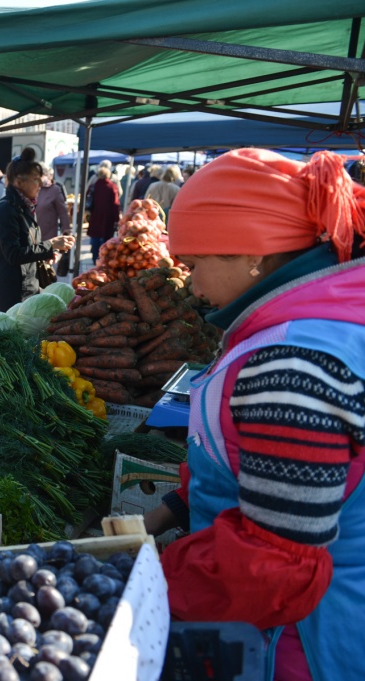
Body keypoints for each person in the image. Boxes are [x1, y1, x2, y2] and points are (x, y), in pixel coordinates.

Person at [141, 148, 365, 681]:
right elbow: (265, 472)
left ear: (253, 255)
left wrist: (146, 582)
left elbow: (274, 567)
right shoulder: (310, 324)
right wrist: (171, 510)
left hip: (301, 646)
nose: (191, 288)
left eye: (195, 265)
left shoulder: (292, 365)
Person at [0, 151, 75, 312]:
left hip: (29, 287)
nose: (40, 184)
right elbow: (13, 254)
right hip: (12, 291)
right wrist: (50, 245)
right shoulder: (6, 210)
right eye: (36, 179)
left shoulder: (26, 207)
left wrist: (47, 254)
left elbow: (28, 247)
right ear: (19, 182)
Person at [36, 170, 73, 278]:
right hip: (33, 232)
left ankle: (47, 282)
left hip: (48, 232)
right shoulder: (33, 189)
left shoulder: (55, 190)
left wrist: (66, 228)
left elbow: (62, 211)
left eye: (41, 175)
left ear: (47, 176)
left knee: (47, 264)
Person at [86, 166, 120, 265]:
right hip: (107, 218)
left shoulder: (93, 186)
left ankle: (94, 258)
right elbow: (115, 204)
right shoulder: (112, 186)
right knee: (106, 241)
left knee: (95, 239)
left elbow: (87, 200)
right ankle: (103, 260)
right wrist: (116, 219)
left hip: (95, 217)